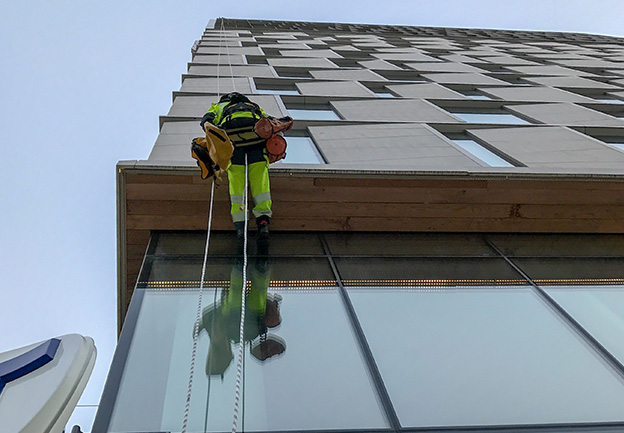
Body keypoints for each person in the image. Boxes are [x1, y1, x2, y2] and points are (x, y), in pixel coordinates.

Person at [199, 92, 290, 246]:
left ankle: (241, 226)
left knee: (237, 185)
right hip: (256, 145)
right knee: (260, 183)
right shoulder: (254, 107)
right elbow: (270, 121)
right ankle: (262, 221)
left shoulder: (218, 106)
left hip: (234, 147)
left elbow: (206, 122)